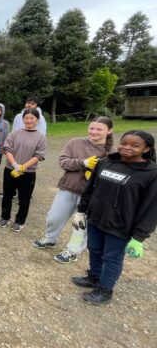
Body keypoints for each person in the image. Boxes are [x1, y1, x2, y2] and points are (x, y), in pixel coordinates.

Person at [71, 131, 157, 305]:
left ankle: (105, 290)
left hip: (121, 226)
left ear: (146, 149)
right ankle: (94, 277)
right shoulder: (105, 162)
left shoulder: (151, 173)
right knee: (94, 249)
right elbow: (90, 189)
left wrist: (139, 237)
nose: (126, 147)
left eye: (135, 145)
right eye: (124, 143)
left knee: (111, 258)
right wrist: (81, 211)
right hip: (96, 218)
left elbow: (151, 207)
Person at [33, 117, 115, 264]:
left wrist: (96, 174)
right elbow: (63, 162)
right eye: (92, 128)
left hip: (91, 197)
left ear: (109, 131)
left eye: (99, 129)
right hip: (68, 188)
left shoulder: (113, 153)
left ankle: (72, 251)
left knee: (80, 226)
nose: (94, 132)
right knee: (54, 217)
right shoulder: (75, 143)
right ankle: (50, 239)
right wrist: (83, 163)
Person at [0, 108, 48, 232]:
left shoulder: (40, 137)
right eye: (26, 118)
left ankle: (20, 220)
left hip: (28, 173)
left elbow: (38, 155)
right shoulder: (14, 133)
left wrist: (23, 167)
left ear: (37, 120)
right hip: (10, 169)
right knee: (7, 195)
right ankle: (5, 217)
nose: (29, 120)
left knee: (24, 198)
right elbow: (7, 149)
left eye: (32, 118)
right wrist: (15, 165)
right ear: (23, 119)